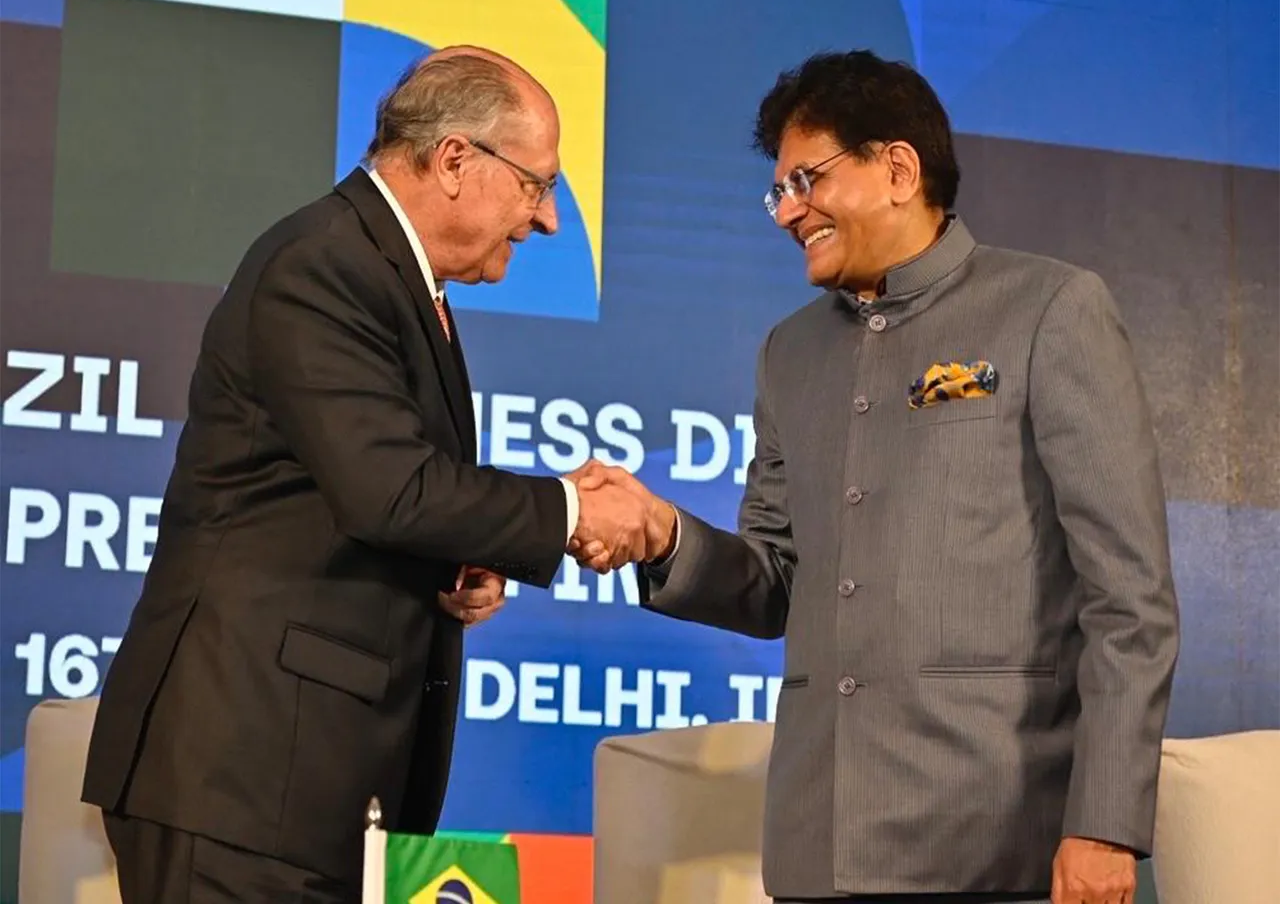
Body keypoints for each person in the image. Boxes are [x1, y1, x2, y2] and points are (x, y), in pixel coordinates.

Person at [572, 50, 1180, 904]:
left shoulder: (1050, 309)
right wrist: (664, 537)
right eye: (778, 193)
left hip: (997, 840)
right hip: (816, 846)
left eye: (807, 180)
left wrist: (1105, 826)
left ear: (898, 169)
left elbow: (1130, 599)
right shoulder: (790, 352)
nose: (790, 211)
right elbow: (773, 581)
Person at [82, 46, 647, 903]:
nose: (548, 221)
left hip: (307, 791)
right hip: (241, 781)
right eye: (537, 185)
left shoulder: (393, 277)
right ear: (454, 160)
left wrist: (456, 557)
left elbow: (352, 493)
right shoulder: (324, 263)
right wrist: (571, 510)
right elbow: (391, 490)